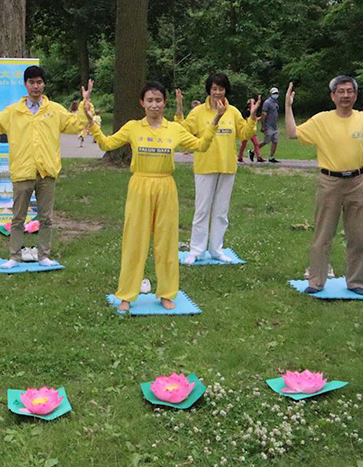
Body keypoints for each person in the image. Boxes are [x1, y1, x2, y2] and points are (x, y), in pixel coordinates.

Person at [86, 82, 222, 311]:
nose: (154, 104)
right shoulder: (133, 127)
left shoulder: (174, 129)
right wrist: (91, 123)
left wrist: (216, 120)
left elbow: (201, 145)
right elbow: (107, 143)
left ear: (165, 103)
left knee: (166, 242)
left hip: (165, 185)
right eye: (149, 100)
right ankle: (127, 295)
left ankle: (167, 293)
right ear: (142, 103)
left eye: (158, 100)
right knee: (134, 241)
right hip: (139, 185)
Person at [286, 76, 363, 295]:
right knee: (323, 235)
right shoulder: (321, 120)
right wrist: (287, 106)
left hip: (357, 182)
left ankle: (357, 282)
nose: (346, 95)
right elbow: (292, 133)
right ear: (333, 96)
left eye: (350, 91)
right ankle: (316, 280)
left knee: (358, 236)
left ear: (355, 95)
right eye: (341, 91)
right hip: (329, 182)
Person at [0, 66, 93, 268]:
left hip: (47, 170)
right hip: (22, 170)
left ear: (44, 84)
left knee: (46, 217)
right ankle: (14, 256)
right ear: (25, 84)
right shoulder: (13, 111)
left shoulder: (54, 110)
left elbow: (74, 125)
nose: (35, 86)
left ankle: (44, 255)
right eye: (31, 82)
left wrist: (85, 103)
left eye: (39, 82)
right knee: (18, 217)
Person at [176, 73, 260, 265]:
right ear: (209, 90)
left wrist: (253, 117)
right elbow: (183, 132)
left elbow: (245, 133)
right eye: (214, 89)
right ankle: (196, 250)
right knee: (202, 210)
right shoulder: (198, 112)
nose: (217, 92)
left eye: (221, 89)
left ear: (225, 90)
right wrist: (179, 109)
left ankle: (216, 249)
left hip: (227, 166)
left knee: (221, 212)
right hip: (205, 166)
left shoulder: (233, 112)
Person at [237, 99, 263, 163]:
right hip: (247, 130)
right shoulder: (247, 112)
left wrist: (262, 117)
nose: (253, 105)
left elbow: (254, 119)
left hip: (252, 131)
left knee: (256, 144)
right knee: (244, 144)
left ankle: (259, 157)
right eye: (252, 103)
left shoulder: (252, 112)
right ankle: (240, 157)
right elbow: (249, 120)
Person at [259, 87, 280, 163]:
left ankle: (272, 157)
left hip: (275, 126)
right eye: (274, 93)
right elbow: (263, 114)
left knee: (275, 141)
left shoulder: (276, 102)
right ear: (271, 94)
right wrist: (263, 125)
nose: (276, 95)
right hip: (268, 125)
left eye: (277, 93)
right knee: (266, 141)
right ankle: (254, 150)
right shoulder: (267, 102)